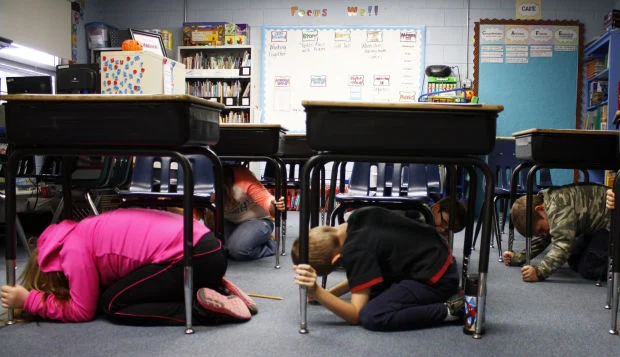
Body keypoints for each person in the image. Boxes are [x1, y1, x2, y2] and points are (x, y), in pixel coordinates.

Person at [0, 207, 258, 325]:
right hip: (207, 249)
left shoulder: (72, 251)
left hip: (193, 258)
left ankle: (203, 310)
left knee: (113, 304)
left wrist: (30, 301)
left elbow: (82, 310)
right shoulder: (83, 230)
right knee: (124, 290)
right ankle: (214, 288)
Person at [291, 197, 467, 331]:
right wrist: (331, 294)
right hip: (434, 258)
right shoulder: (358, 216)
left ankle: (451, 310)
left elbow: (355, 315)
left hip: (437, 279)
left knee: (372, 315)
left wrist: (318, 291)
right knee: (372, 290)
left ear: (337, 260)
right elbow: (362, 278)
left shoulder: (356, 250)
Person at [504, 183, 610, 282]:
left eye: (541, 230)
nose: (544, 234)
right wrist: (517, 258)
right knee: (574, 258)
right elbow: (543, 240)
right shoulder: (546, 202)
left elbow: (562, 247)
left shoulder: (558, 209)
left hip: (612, 226)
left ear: (540, 209)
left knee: (588, 268)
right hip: (597, 228)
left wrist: (539, 272)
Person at [219, 164, 286, 261]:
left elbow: (266, 198)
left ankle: (271, 245)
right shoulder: (199, 182)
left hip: (256, 220)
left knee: (237, 251)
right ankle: (249, 238)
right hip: (229, 221)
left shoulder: (242, 177)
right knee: (220, 249)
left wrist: (274, 205)